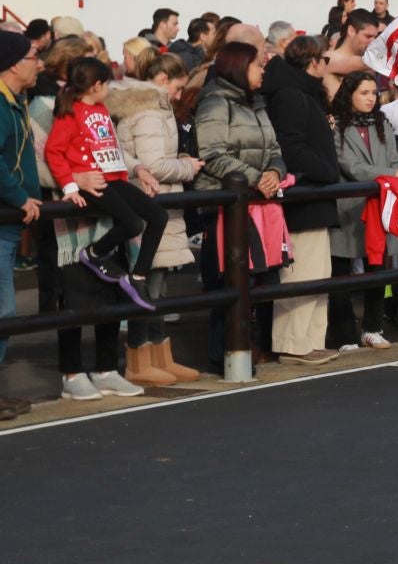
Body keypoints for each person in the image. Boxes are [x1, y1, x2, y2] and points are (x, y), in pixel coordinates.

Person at [105, 49, 202, 386]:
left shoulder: (146, 107)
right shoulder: (150, 112)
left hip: (152, 203)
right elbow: (156, 164)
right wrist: (188, 167)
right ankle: (140, 357)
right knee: (147, 285)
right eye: (178, 88)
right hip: (152, 202)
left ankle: (158, 355)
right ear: (163, 80)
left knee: (155, 286)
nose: (179, 95)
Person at [45, 55, 166, 311]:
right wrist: (69, 184)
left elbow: (111, 147)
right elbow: (53, 151)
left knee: (158, 215)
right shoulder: (70, 113)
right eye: (108, 85)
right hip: (93, 183)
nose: (110, 90)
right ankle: (94, 253)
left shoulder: (101, 109)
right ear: (96, 86)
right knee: (132, 223)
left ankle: (138, 277)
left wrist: (130, 173)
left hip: (113, 179)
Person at [191, 41, 283, 372]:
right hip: (225, 206)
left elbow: (274, 147)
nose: (263, 71)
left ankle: (243, 349)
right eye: (258, 65)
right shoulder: (215, 102)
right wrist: (257, 178)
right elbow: (212, 154)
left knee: (257, 280)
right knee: (228, 282)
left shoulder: (256, 103)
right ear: (240, 67)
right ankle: (224, 354)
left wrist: (273, 172)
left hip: (257, 201)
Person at [329, 71, 398, 347]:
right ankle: (342, 334)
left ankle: (372, 327)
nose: (370, 98)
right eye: (363, 93)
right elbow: (352, 167)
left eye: (373, 92)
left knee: (378, 268)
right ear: (348, 94)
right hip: (348, 208)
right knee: (340, 273)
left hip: (380, 206)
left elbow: (395, 158)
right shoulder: (334, 125)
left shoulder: (381, 123)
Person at [259, 35, 342, 363]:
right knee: (301, 273)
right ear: (313, 62)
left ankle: (310, 340)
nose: (328, 65)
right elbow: (291, 148)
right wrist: (326, 171)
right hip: (302, 198)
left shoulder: (306, 94)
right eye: (325, 59)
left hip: (316, 197)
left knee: (318, 273)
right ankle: (293, 344)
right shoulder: (291, 96)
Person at [0, 31, 44, 416]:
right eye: (33, 56)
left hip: (10, 222)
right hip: (4, 219)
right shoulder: (2, 104)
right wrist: (18, 196)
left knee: (5, 307)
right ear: (14, 63)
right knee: (2, 307)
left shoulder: (16, 101)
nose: (40, 63)